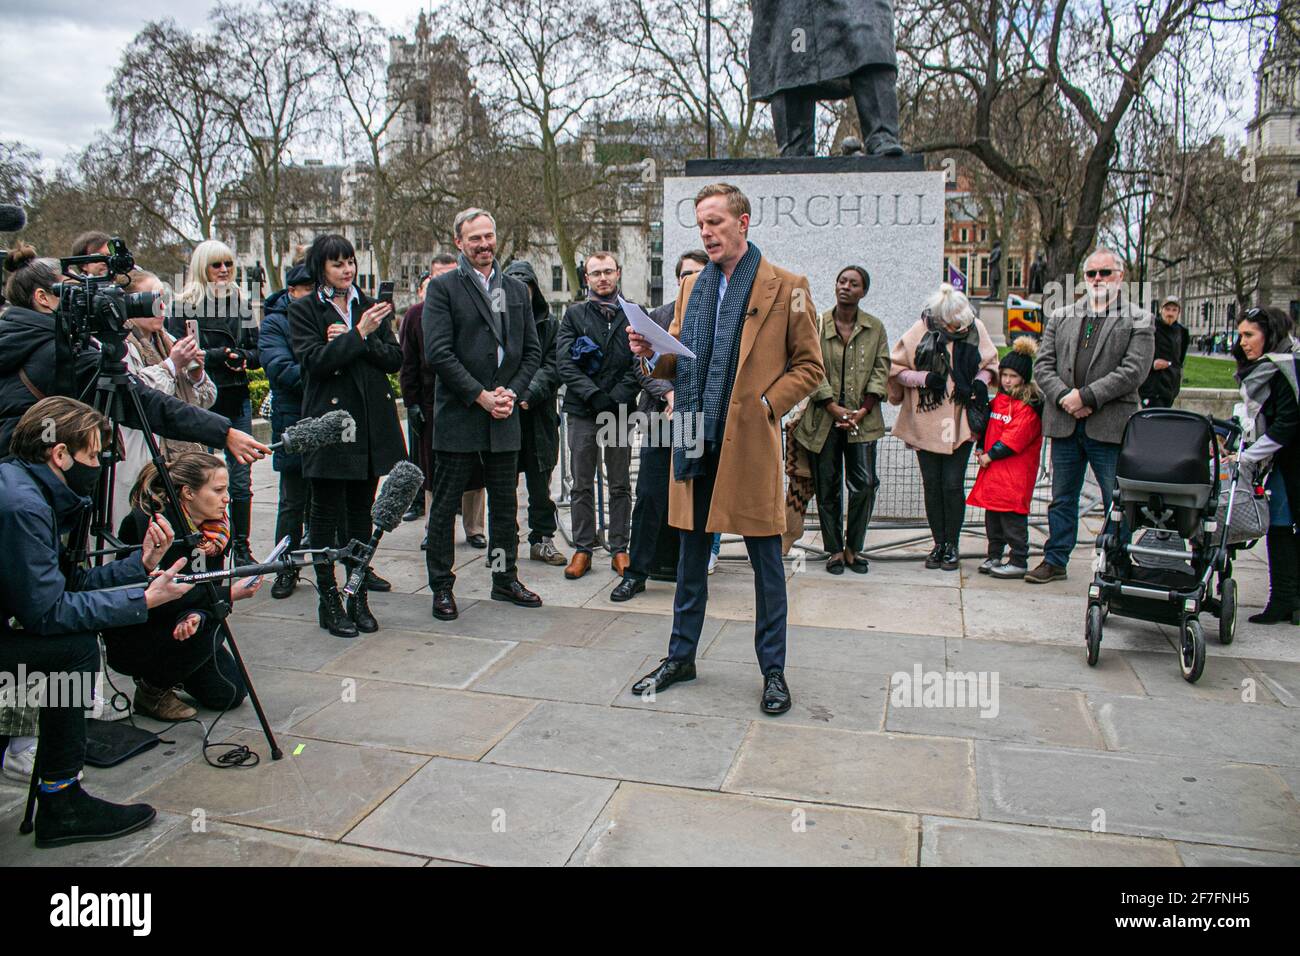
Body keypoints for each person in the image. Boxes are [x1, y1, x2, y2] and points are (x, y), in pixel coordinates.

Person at [627, 183, 823, 715]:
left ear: (744, 222)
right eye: (700, 225)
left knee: (766, 563)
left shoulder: (789, 287)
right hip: (693, 437)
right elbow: (675, 360)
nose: (707, 233)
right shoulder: (693, 286)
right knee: (690, 559)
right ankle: (681, 656)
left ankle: (774, 671)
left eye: (715, 222)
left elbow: (811, 367)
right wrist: (649, 352)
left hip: (749, 444)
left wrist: (765, 404)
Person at [0, 397, 192, 848]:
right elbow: (47, 612)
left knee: (63, 642)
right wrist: (143, 599)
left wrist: (140, 565)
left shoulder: (28, 488)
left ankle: (47, 777)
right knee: (73, 644)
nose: (99, 467)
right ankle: (61, 799)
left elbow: (65, 584)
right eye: (92, 456)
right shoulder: (24, 506)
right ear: (59, 454)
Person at [0, 243, 265, 464]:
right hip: (36, 467)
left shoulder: (19, 336)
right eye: (73, 292)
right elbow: (139, 399)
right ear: (42, 297)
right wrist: (223, 433)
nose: (84, 299)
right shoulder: (54, 350)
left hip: (19, 466)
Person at [422, 208, 543, 621]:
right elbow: (438, 353)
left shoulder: (514, 289)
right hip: (460, 414)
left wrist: (511, 392)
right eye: (475, 238)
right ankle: (442, 586)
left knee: (505, 506)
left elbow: (532, 352)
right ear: (459, 242)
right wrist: (480, 396)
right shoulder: (443, 288)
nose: (484, 244)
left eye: (489, 236)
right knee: (446, 506)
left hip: (504, 414)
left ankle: (502, 578)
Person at [289, 234, 405, 637]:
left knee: (361, 514)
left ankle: (357, 595)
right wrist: (357, 336)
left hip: (370, 425)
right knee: (323, 517)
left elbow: (394, 358)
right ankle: (329, 598)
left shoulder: (371, 305)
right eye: (338, 263)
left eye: (351, 261)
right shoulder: (304, 309)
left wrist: (362, 336)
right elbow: (314, 363)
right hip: (331, 426)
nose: (347, 270)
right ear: (321, 267)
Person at [1028, 248, 1154, 583]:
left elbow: (1133, 372)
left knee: (1118, 501)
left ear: (1120, 276)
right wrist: (1065, 398)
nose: (1098, 279)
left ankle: (1116, 562)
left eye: (1105, 273)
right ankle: (1055, 559)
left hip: (1109, 426)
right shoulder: (1062, 315)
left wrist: (1088, 397)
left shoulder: (1138, 318)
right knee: (1061, 498)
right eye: (1091, 274)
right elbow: (1042, 365)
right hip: (1066, 423)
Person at [105, 452, 260, 720]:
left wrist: (196, 613)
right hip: (144, 626)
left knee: (231, 693)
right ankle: (152, 689)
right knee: (210, 622)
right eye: (218, 490)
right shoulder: (148, 524)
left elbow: (209, 582)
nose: (227, 497)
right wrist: (228, 596)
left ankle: (177, 672)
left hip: (189, 617)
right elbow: (146, 592)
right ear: (188, 493)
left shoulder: (218, 528)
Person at [611, 250, 708, 602]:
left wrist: (685, 402)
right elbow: (640, 365)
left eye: (696, 274)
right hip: (660, 418)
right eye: (684, 274)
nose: (689, 280)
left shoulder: (717, 316)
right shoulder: (660, 315)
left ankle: (689, 573)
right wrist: (668, 395)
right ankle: (636, 573)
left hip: (695, 420)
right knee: (650, 496)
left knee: (692, 496)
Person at [888, 284, 999, 571]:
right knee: (932, 485)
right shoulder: (919, 330)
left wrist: (980, 381)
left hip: (960, 420)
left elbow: (990, 364)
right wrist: (923, 378)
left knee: (952, 484)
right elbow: (896, 369)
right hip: (925, 419)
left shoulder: (976, 328)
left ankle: (952, 544)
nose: (958, 328)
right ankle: (939, 544)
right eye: (951, 324)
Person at [167, 240, 261, 565]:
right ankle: (201, 544)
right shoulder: (182, 305)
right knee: (200, 479)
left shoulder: (242, 303)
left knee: (240, 479)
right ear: (201, 268)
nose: (223, 271)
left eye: (228, 265)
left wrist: (242, 358)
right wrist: (223, 356)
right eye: (215, 265)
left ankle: (242, 546)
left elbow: (258, 351)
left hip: (237, 397)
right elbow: (180, 353)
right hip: (200, 402)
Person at [794, 265, 890, 574]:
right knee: (828, 485)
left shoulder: (874, 328)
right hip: (824, 419)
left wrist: (863, 408)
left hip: (863, 419)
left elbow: (881, 368)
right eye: (841, 281)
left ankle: (854, 547)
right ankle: (834, 549)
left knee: (864, 484)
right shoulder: (818, 324)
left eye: (853, 283)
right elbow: (809, 363)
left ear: (863, 291)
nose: (845, 286)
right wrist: (831, 405)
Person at [557, 251, 642, 579]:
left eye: (608, 271)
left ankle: (620, 548)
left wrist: (616, 397)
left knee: (620, 482)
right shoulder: (574, 315)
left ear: (618, 273)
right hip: (583, 410)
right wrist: (594, 396)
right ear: (587, 278)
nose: (603, 278)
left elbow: (642, 362)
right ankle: (583, 548)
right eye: (596, 273)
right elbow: (564, 363)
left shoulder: (635, 313)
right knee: (581, 482)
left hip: (619, 412)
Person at [111, 270, 216, 525]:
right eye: (151, 299)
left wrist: (196, 373)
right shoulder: (119, 344)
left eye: (162, 298)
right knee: (141, 525)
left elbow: (207, 399)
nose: (160, 306)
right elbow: (135, 396)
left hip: (181, 454)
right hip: (141, 454)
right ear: (130, 303)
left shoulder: (168, 340)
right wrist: (171, 365)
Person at [398, 254, 487, 550]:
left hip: (471, 400)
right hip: (431, 404)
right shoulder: (415, 315)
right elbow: (408, 362)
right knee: (433, 470)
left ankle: (474, 527)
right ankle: (435, 527)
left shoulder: (477, 308)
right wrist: (411, 402)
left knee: (475, 469)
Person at [1233, 306, 1300, 625]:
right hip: (1286, 460)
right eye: (1241, 334)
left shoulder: (1285, 365)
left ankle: (1284, 598)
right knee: (1282, 526)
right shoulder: (1283, 362)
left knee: (1282, 525)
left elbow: (1286, 425)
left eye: (1249, 335)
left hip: (1291, 460)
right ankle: (1287, 598)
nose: (1242, 342)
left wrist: (1247, 457)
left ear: (1268, 334)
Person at [503, 258, 566, 568]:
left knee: (540, 487)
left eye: (525, 288)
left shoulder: (549, 325)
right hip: (504, 414)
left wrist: (526, 394)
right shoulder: (495, 322)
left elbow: (554, 365)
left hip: (538, 416)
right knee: (503, 486)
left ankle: (542, 539)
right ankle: (504, 544)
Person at [259, 263, 316, 598]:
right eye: (307, 289)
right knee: (293, 501)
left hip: (328, 419)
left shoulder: (327, 317)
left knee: (332, 501)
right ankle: (285, 568)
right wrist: (324, 369)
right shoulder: (275, 324)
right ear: (292, 292)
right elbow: (280, 369)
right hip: (294, 420)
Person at [967, 337, 1044, 578]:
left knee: (1013, 519)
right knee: (993, 518)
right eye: (1005, 375)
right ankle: (994, 555)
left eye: (1013, 376)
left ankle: (1019, 559)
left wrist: (991, 455)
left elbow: (1015, 437)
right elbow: (990, 428)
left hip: (1014, 473)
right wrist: (981, 447)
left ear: (1023, 378)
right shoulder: (998, 401)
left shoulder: (1028, 406)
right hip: (995, 471)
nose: (1008, 380)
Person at [1140, 294, 1191, 409]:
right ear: (1160, 310)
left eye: (1174, 310)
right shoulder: (1151, 327)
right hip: (1151, 388)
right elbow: (1139, 351)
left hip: (1170, 387)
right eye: (1167, 309)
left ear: (1179, 312)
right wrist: (1152, 363)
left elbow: (1180, 358)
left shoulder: (1182, 332)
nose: (1170, 313)